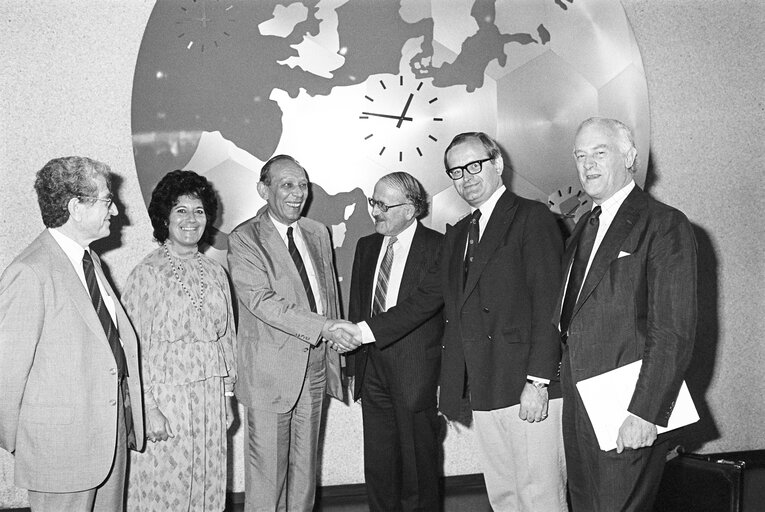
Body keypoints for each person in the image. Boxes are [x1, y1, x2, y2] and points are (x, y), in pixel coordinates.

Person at [333, 132, 567, 512]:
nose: (466, 177)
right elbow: (440, 304)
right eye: (456, 171)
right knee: (504, 494)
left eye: (474, 166)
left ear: (498, 164)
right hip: (485, 384)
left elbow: (549, 305)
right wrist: (450, 383)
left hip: (526, 381)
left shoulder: (532, 216)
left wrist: (538, 381)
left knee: (539, 494)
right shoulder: (459, 232)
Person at [556, 117, 696, 512]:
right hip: (580, 408)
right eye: (580, 156)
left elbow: (672, 330)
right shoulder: (584, 226)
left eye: (600, 152)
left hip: (627, 409)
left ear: (630, 156)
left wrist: (644, 412)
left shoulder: (664, 224)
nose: (588, 165)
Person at [0, 156, 144, 511]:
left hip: (108, 441)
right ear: (75, 207)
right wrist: (28, 443)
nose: (116, 210)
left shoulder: (90, 261)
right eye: (107, 200)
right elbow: (6, 370)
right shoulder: (30, 271)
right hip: (61, 451)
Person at [227, 154, 345, 512]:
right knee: (267, 477)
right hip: (269, 374)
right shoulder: (244, 238)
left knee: (305, 472)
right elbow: (261, 301)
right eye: (287, 185)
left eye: (303, 185)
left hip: (314, 369)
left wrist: (335, 344)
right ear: (264, 190)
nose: (297, 194)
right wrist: (324, 327)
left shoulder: (317, 232)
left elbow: (328, 296)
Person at [124, 170, 236, 511]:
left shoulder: (216, 271)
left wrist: (228, 395)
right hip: (166, 402)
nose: (191, 219)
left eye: (199, 210)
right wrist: (148, 408)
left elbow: (227, 336)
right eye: (181, 210)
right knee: (166, 489)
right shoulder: (147, 273)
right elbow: (132, 347)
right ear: (164, 218)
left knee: (208, 484)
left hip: (210, 401)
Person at [347, 172, 444, 511]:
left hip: (416, 372)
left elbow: (422, 307)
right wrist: (353, 360)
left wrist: (361, 332)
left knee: (419, 468)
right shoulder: (366, 246)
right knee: (379, 467)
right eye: (374, 202)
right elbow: (358, 305)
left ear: (411, 209)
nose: (376, 211)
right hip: (372, 369)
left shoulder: (439, 247)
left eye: (384, 205)